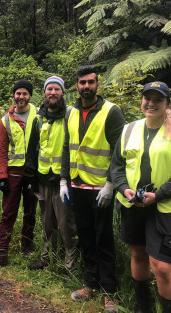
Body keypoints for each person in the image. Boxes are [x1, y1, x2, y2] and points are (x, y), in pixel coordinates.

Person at [111, 81, 171, 313]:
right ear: (141, 101)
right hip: (133, 205)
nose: (151, 103)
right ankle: (143, 308)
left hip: (165, 208)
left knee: (162, 266)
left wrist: (158, 195)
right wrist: (122, 188)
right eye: (147, 98)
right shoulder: (129, 129)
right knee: (138, 253)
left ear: (167, 103)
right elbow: (117, 166)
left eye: (158, 99)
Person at [61, 66, 125, 312]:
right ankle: (90, 283)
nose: (86, 86)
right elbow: (68, 146)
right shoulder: (71, 111)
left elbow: (120, 151)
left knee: (103, 237)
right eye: (81, 83)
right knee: (86, 235)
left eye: (90, 82)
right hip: (77, 186)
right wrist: (63, 180)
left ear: (98, 84)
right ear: (76, 86)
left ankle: (110, 291)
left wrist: (111, 184)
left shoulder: (111, 112)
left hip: (100, 188)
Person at [0, 79, 39, 273]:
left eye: (24, 93)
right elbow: (1, 149)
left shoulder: (39, 115)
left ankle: (27, 247)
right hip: (13, 172)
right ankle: (1, 252)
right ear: (14, 96)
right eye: (18, 93)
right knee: (8, 213)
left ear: (29, 95)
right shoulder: (6, 119)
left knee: (30, 212)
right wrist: (3, 176)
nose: (21, 97)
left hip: (33, 172)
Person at [24, 76, 78, 271]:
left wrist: (69, 177)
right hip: (43, 179)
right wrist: (30, 178)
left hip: (64, 180)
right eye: (49, 89)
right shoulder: (38, 119)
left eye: (56, 89)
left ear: (62, 92)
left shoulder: (71, 115)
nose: (52, 93)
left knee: (66, 224)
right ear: (45, 93)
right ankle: (47, 258)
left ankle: (70, 264)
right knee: (47, 223)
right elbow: (31, 150)